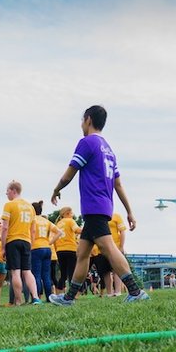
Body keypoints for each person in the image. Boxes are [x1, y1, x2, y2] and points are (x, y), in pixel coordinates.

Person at [49, 105, 149, 305]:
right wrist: (130, 212)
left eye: (81, 121)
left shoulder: (87, 143)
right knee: (83, 252)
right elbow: (118, 184)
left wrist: (56, 189)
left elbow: (70, 173)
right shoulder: (109, 150)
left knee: (109, 248)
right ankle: (69, 298)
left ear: (88, 120)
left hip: (94, 205)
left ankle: (136, 291)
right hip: (103, 206)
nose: (81, 125)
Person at [0, 181, 41, 305]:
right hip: (27, 241)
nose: (6, 193)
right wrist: (31, 244)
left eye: (7, 190)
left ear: (13, 190)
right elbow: (33, 230)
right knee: (27, 271)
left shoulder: (9, 205)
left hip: (13, 241)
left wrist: (3, 247)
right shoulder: (30, 207)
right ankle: (35, 298)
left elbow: (5, 228)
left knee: (15, 272)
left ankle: (18, 300)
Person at [30, 200, 62, 302]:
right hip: (47, 249)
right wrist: (50, 242)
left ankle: (37, 297)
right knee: (46, 275)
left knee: (36, 275)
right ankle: (49, 297)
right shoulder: (46, 221)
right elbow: (59, 232)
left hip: (35, 248)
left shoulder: (32, 220)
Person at [53, 206, 81, 294]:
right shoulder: (70, 221)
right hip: (70, 249)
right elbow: (77, 230)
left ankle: (59, 292)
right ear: (68, 213)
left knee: (63, 274)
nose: (72, 215)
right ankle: (73, 293)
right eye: (72, 213)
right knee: (72, 273)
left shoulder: (58, 224)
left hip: (60, 250)